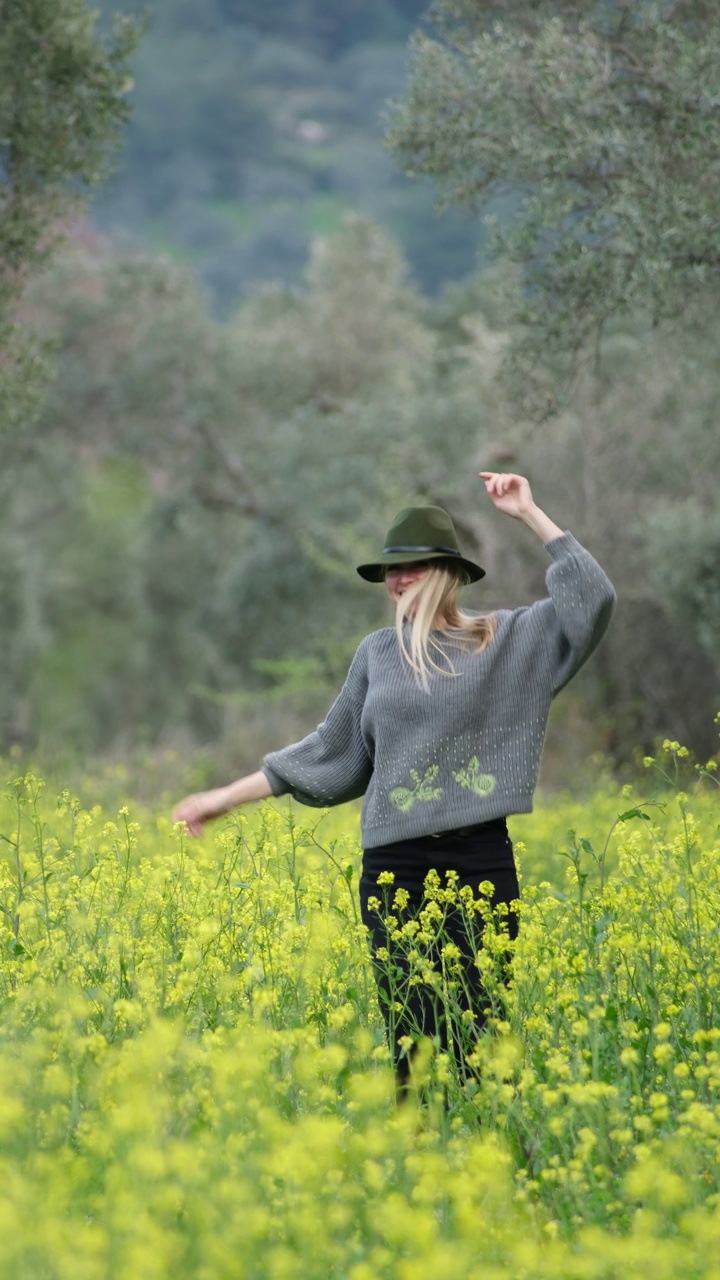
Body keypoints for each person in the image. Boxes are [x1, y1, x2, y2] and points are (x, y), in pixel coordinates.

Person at [173, 473, 616, 1091]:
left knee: (481, 1043)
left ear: (445, 572)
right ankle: (419, 1164)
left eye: (409, 568)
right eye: (389, 572)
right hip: (396, 870)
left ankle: (486, 1169)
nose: (396, 582)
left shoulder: (506, 640)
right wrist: (223, 798)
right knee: (412, 1043)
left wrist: (529, 513)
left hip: (480, 862)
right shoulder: (377, 654)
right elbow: (326, 752)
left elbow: (593, 600)